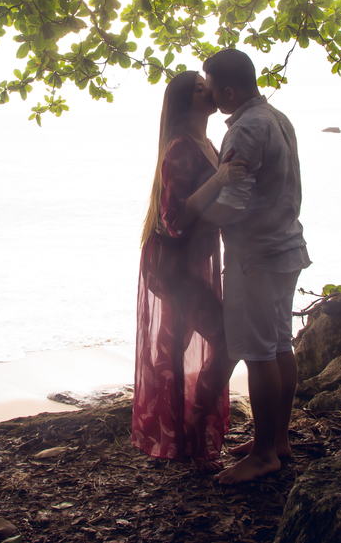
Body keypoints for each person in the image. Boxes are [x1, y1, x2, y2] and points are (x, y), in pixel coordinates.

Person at [200, 48, 311, 485]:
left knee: (259, 353)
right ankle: (277, 439)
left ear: (229, 90)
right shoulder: (277, 117)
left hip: (256, 257)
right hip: (286, 246)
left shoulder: (245, 129)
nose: (210, 96)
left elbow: (232, 206)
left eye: (212, 89)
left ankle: (265, 453)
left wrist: (190, 220)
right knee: (280, 345)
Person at [132, 70, 247, 471]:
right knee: (221, 343)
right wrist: (219, 179)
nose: (209, 91)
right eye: (200, 89)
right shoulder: (181, 148)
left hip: (186, 262)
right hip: (173, 265)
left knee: (173, 349)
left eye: (207, 85)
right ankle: (194, 441)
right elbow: (174, 220)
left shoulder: (206, 142)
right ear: (187, 103)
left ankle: (179, 441)